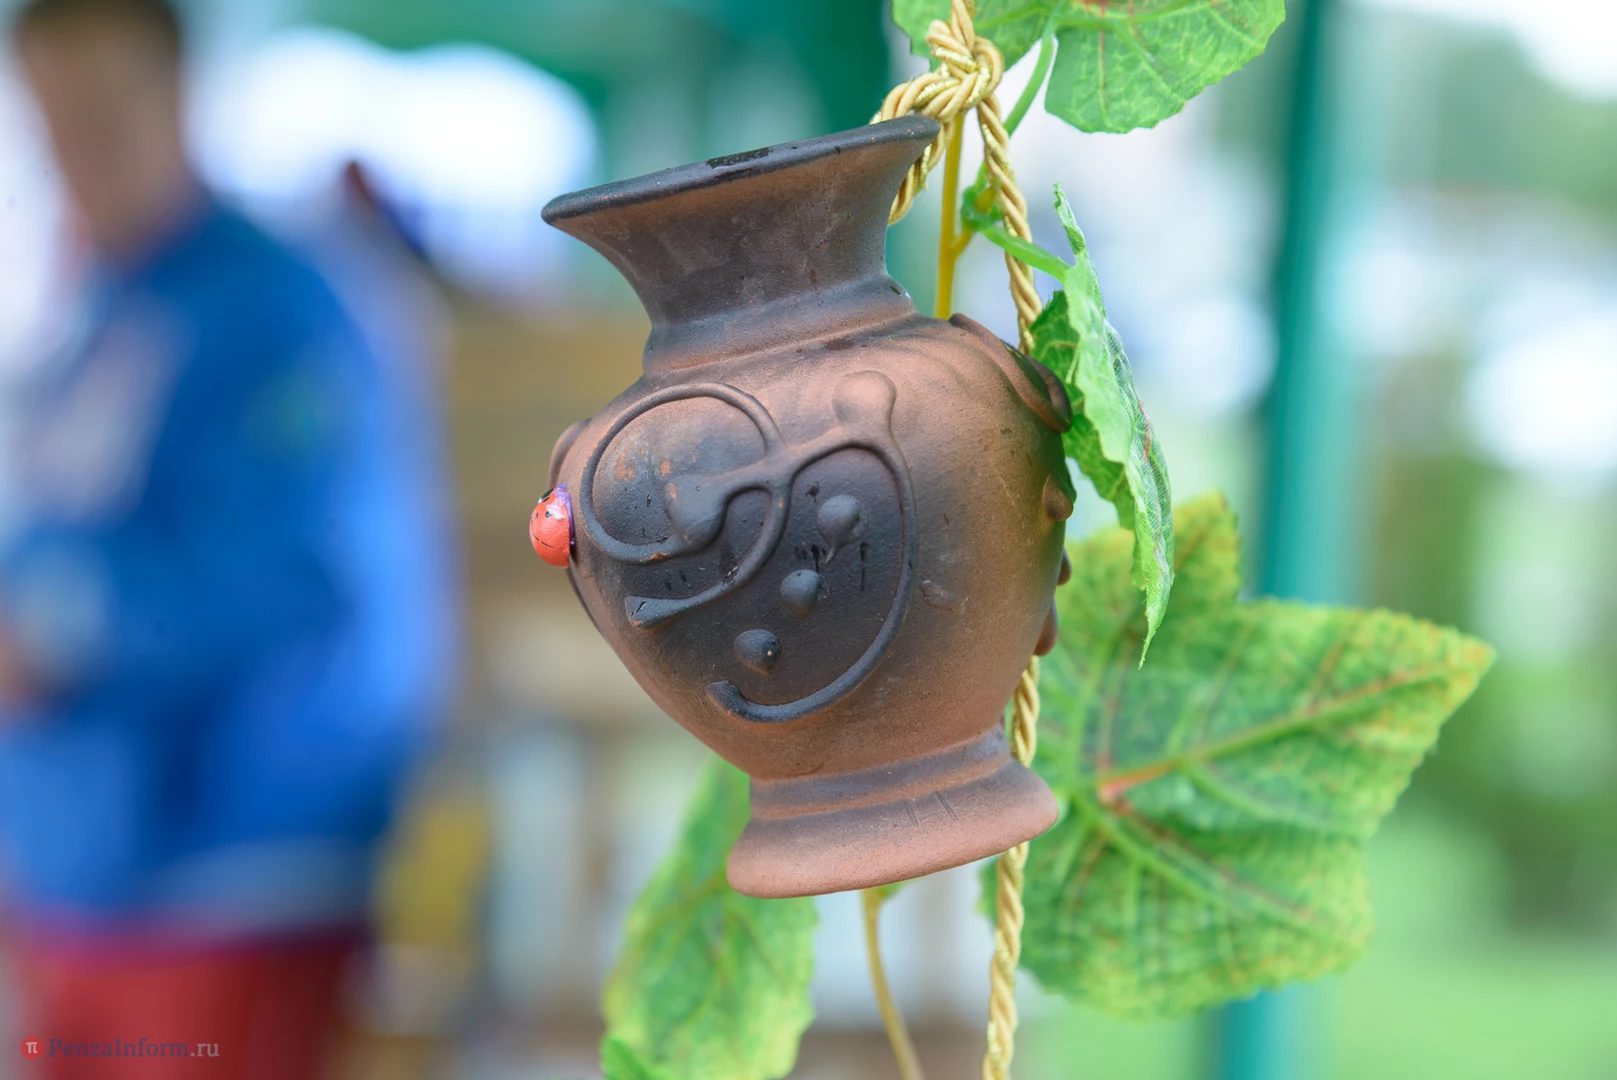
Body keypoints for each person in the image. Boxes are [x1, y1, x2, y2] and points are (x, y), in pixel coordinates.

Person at [0, 0, 458, 1075]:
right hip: (87, 877)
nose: (79, 149)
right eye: (55, 118)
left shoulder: (282, 308)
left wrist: (54, 632)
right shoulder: (102, 311)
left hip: (236, 872)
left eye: (104, 111)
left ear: (177, 92)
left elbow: (295, 571)